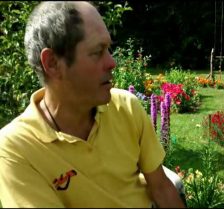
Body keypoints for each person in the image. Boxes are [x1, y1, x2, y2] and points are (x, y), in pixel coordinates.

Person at [0, 1, 186, 208]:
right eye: (97, 52)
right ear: (52, 63)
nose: (112, 62)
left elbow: (160, 188)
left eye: (108, 49)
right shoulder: (16, 149)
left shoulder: (126, 106)